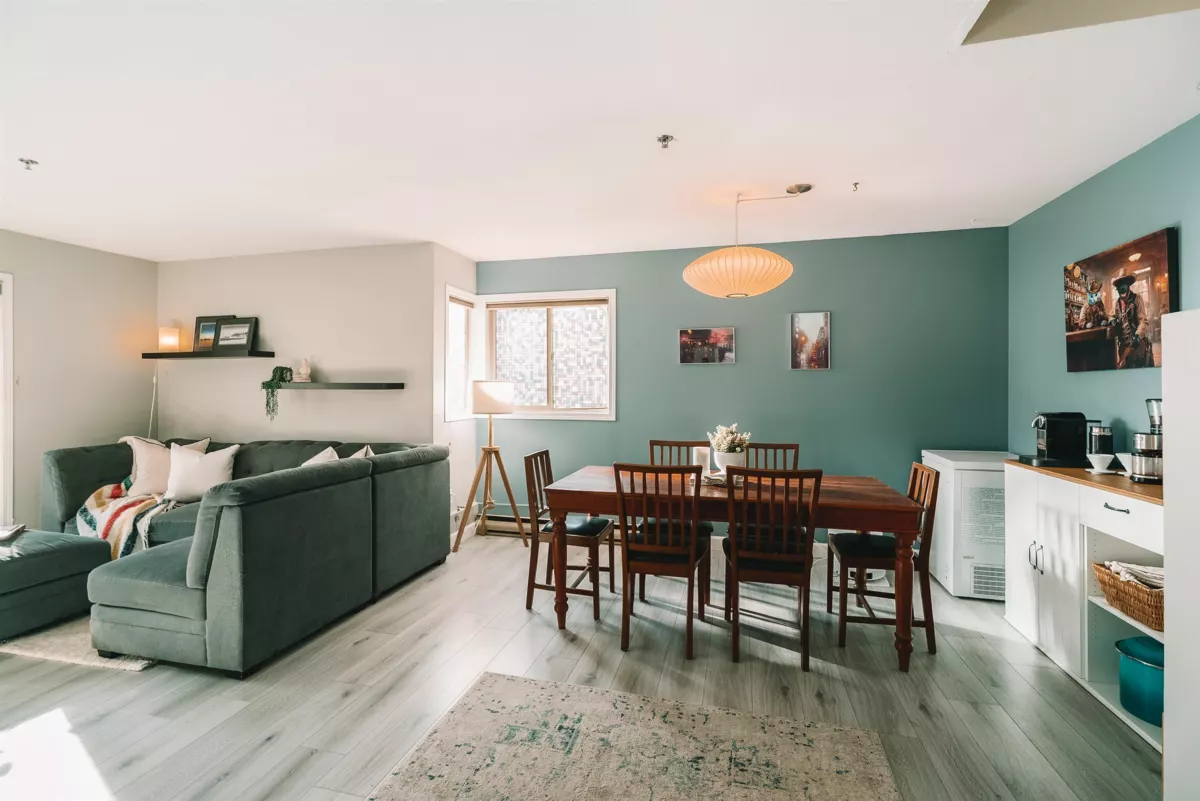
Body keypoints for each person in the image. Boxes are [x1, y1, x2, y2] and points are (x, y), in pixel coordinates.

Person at [1108, 268, 1153, 369]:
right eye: (1119, 288)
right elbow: (1110, 315)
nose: (1122, 291)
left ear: (1128, 286)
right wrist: (1112, 320)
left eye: (1123, 286)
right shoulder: (1117, 304)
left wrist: (1137, 335)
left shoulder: (1137, 298)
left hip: (1136, 344)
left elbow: (1143, 321)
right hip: (1123, 346)